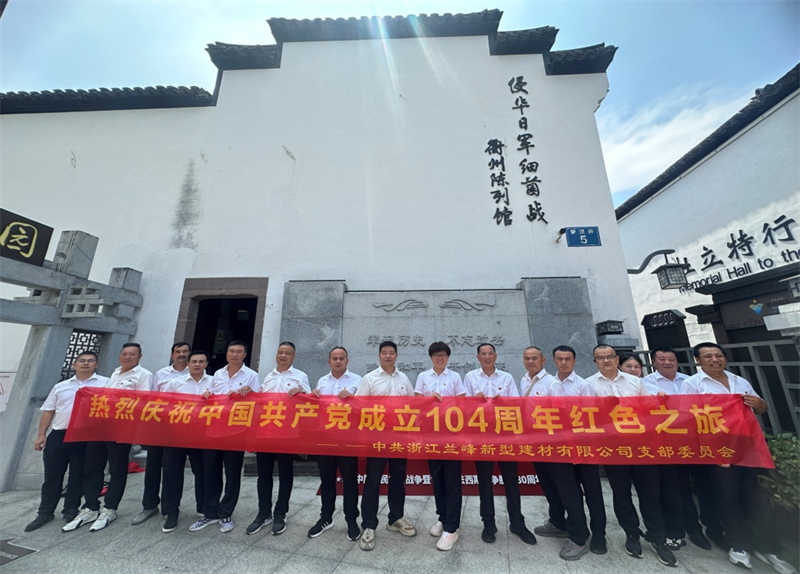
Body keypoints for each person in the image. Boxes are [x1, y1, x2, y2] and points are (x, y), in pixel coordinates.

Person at [682, 342, 796, 574]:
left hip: (749, 448)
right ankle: (739, 544)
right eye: (708, 356)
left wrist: (760, 404)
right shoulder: (692, 384)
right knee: (728, 497)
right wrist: (713, 452)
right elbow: (690, 420)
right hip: (720, 449)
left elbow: (760, 408)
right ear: (698, 360)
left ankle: (768, 547)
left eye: (718, 355)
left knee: (758, 498)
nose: (714, 359)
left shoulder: (739, 381)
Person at [586, 344, 677, 567]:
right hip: (613, 448)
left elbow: (649, 411)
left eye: (609, 356)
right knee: (621, 493)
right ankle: (632, 533)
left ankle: (657, 538)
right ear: (595, 361)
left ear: (617, 359)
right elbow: (587, 417)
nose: (606, 361)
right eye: (600, 358)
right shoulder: (589, 385)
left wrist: (658, 402)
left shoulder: (635, 382)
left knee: (650, 494)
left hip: (641, 447)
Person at [524, 345, 606, 560]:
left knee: (576, 492)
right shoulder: (529, 381)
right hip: (545, 444)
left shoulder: (562, 384)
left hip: (570, 445)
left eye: (567, 359)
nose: (563, 362)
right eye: (559, 359)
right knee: (554, 488)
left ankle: (582, 537)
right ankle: (559, 523)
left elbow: (577, 415)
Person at [64, 343, 153, 533]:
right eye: (124, 354)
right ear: (120, 355)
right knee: (92, 467)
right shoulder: (115, 373)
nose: (127, 357)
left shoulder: (143, 375)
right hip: (100, 427)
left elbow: (143, 401)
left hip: (121, 429)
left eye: (132, 354)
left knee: (117, 469)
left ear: (140, 356)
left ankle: (110, 508)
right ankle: (90, 507)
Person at [25, 351, 108, 532]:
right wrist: (41, 435)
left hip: (85, 436)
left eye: (90, 361)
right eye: (82, 361)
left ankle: (71, 509)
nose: (85, 363)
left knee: (77, 474)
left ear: (96, 364)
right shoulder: (60, 387)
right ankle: (45, 512)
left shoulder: (105, 384)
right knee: (52, 475)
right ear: (74, 364)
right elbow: (48, 411)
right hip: (59, 434)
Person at [464, 343, 536, 546]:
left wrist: (503, 401)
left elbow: (518, 405)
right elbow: (464, 408)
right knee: (484, 480)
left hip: (505, 435)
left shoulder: (507, 377)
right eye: (483, 354)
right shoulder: (470, 377)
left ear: (495, 356)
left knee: (511, 479)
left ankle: (517, 522)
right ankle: (488, 522)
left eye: (490, 353)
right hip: (481, 436)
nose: (487, 357)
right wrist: (474, 402)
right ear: (478, 357)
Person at [642, 347, 711, 551]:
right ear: (653, 362)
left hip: (694, 441)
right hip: (666, 443)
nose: (667, 362)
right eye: (662, 359)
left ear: (677, 361)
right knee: (673, 487)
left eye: (671, 359)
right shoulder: (646, 384)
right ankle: (675, 529)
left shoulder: (690, 381)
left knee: (697, 486)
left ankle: (696, 529)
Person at [190, 340, 258, 534]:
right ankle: (210, 512)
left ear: (245, 354)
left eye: (239, 351)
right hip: (213, 430)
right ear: (227, 353)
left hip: (236, 432)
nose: (234, 354)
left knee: (232, 473)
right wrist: (207, 393)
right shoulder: (218, 374)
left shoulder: (251, 376)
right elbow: (212, 395)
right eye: (231, 351)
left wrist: (249, 393)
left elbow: (258, 402)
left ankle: (226, 512)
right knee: (210, 471)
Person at [355, 340, 416, 551]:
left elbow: (413, 404)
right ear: (379, 356)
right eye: (384, 353)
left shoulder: (404, 378)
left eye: (391, 353)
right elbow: (359, 406)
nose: (388, 356)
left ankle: (395, 518)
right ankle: (369, 525)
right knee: (373, 481)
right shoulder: (369, 378)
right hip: (377, 437)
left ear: (396, 356)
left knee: (398, 479)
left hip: (400, 436)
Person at [246, 341, 310, 537]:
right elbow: (260, 401)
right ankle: (263, 512)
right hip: (266, 431)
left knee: (285, 474)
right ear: (276, 355)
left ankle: (280, 513)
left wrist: (301, 393)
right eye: (280, 352)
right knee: (264, 474)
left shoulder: (300, 376)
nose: (283, 356)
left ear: (293, 356)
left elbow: (310, 402)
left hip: (288, 433)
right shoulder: (269, 376)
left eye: (287, 353)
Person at [131, 341, 191, 526]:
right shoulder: (161, 374)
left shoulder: (195, 374)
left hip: (182, 429)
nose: (181, 354)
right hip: (159, 427)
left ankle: (170, 509)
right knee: (153, 468)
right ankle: (149, 505)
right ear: (172, 354)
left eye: (185, 351)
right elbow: (152, 399)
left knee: (173, 470)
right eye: (178, 351)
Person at [414, 341, 466, 551]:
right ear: (431, 357)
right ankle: (443, 517)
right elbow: (417, 403)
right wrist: (429, 400)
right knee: (438, 479)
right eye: (436, 355)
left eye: (443, 355)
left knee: (452, 480)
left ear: (448, 357)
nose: (440, 358)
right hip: (431, 436)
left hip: (452, 435)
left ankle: (452, 528)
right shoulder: (423, 377)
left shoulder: (455, 377)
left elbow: (463, 404)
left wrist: (446, 403)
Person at [309, 346, 361, 541]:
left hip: (347, 439)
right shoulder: (322, 382)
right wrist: (313, 397)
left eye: (341, 358)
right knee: (327, 480)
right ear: (329, 361)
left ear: (347, 360)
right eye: (334, 358)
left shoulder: (357, 381)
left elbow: (365, 408)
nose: (338, 361)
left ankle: (351, 520)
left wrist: (353, 398)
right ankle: (326, 517)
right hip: (325, 439)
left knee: (350, 481)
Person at [158, 350, 214, 533]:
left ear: (206, 364)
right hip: (177, 434)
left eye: (201, 361)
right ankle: (171, 511)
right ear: (188, 364)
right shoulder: (175, 383)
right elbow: (163, 405)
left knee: (203, 471)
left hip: (202, 435)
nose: (197, 364)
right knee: (172, 473)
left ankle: (203, 506)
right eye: (194, 361)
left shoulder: (214, 382)